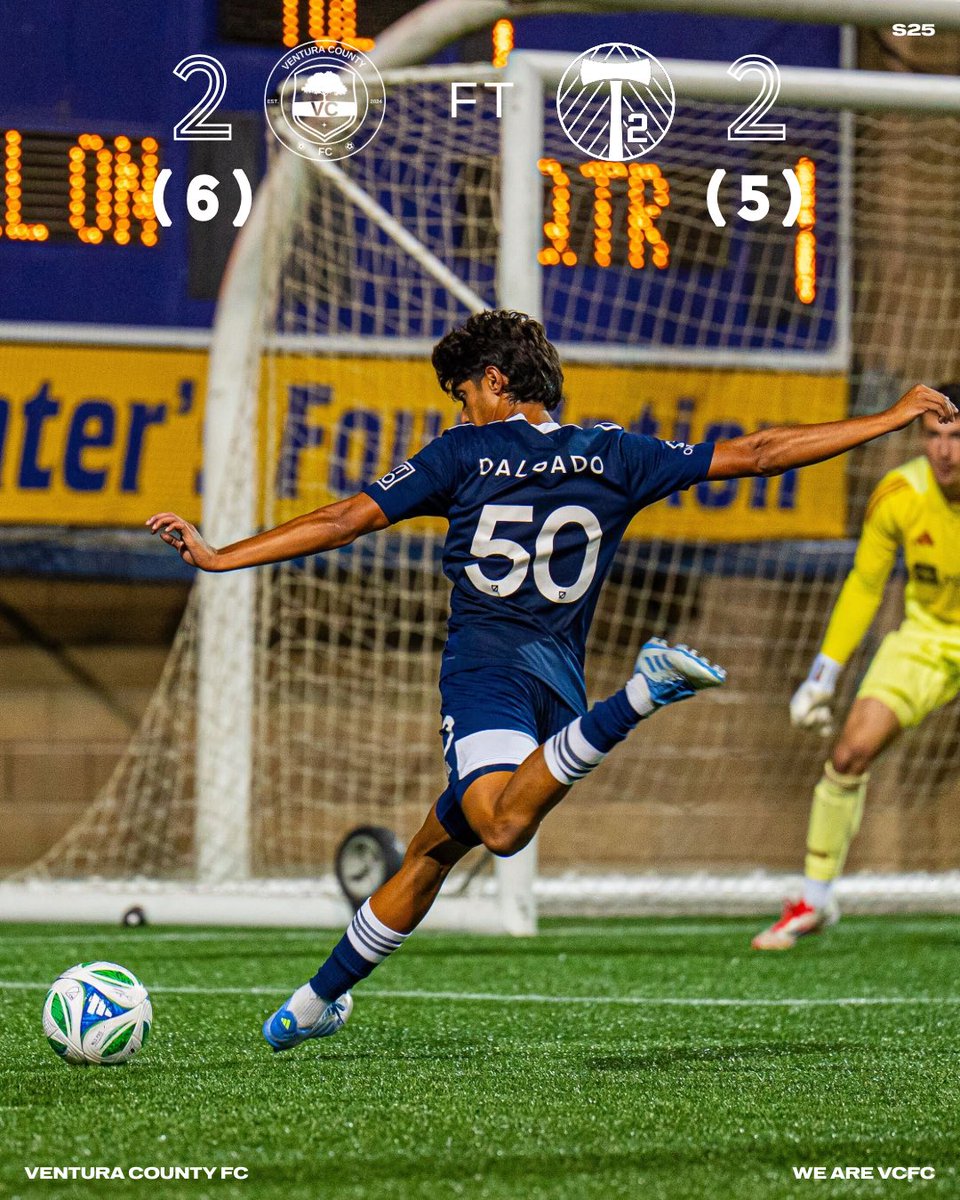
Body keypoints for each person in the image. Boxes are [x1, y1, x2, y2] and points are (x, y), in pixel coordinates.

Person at [147, 311, 956, 1048]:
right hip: (555, 685)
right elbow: (761, 452)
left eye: (461, 393)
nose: (459, 411)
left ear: (495, 382)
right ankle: (318, 1002)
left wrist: (224, 556)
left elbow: (343, 519)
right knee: (433, 848)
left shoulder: (460, 454)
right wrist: (890, 417)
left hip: (489, 673)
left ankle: (640, 695)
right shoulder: (611, 452)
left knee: (498, 828)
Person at [752, 385, 960, 950]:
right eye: (934, 436)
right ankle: (815, 898)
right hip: (927, 639)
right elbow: (866, 584)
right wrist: (824, 675)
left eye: (957, 437)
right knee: (848, 754)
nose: (945, 451)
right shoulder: (900, 493)